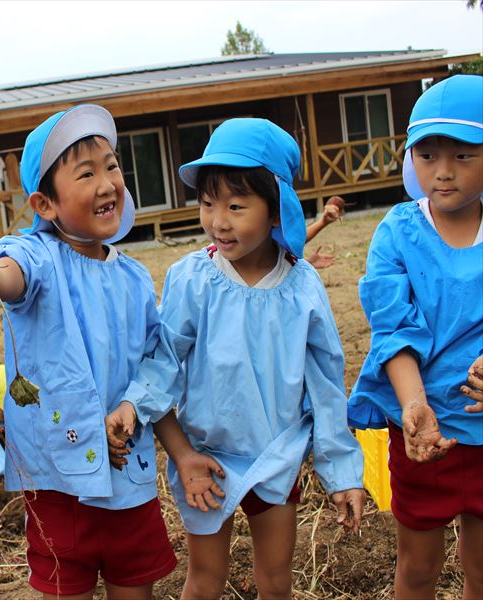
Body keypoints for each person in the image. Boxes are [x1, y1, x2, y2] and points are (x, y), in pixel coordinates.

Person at [0, 104, 177, 599]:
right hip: (57, 486)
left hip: (128, 480)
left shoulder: (134, 277)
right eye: (86, 173)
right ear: (45, 204)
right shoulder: (35, 255)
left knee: (134, 585)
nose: (107, 183)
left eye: (112, 166)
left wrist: (132, 406)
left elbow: (158, 360)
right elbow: (0, 280)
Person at [107, 118, 366, 599]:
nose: (218, 221)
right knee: (205, 579)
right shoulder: (194, 279)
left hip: (276, 455)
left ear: (276, 210)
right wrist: (133, 404)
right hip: (208, 458)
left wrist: (341, 473)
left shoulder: (302, 288)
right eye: (208, 203)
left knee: (276, 580)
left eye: (236, 206)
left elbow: (326, 386)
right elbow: (164, 361)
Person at [348, 74, 483, 600]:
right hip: (425, 434)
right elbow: (393, 327)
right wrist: (413, 405)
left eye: (463, 154)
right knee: (418, 567)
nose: (443, 171)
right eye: (427, 155)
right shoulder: (398, 232)